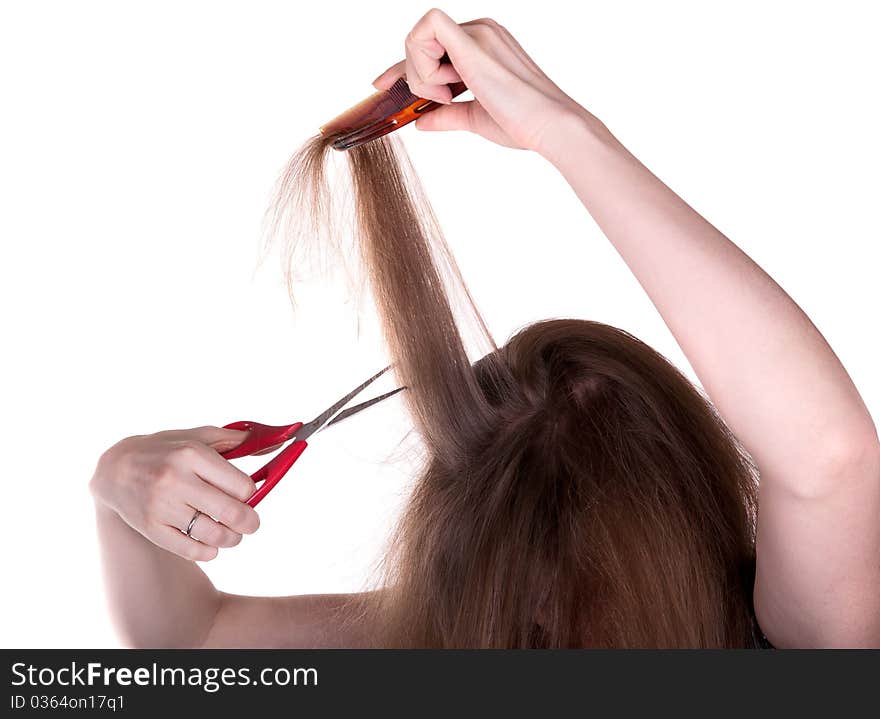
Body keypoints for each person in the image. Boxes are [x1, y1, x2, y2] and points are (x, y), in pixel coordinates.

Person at [90, 9, 880, 649]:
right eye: (517, 592)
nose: (539, 624)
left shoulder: (801, 646)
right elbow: (189, 634)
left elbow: (832, 457)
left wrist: (564, 131)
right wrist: (119, 484)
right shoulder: (445, 632)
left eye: (579, 590)